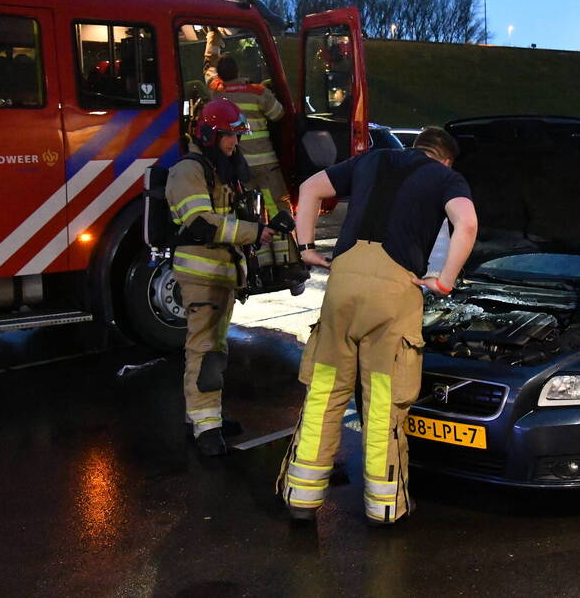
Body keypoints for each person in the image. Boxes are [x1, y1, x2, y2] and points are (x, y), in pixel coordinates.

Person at [276, 126, 478, 526]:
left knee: (325, 392)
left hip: (342, 283)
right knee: (383, 399)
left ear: (417, 146)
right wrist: (445, 281)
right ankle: (385, 507)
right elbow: (467, 224)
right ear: (446, 158)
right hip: (393, 290)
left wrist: (307, 248)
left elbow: (310, 189)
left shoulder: (370, 159)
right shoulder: (445, 177)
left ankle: (301, 497)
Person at [166, 99, 276, 457]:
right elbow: (200, 223)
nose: (234, 143)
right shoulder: (188, 171)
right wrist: (252, 232)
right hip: (202, 275)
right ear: (209, 135)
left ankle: (204, 415)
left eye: (237, 136)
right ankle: (206, 428)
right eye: (229, 136)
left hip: (221, 274)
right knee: (205, 349)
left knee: (215, 347)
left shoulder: (219, 168)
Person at [203, 29, 305, 290]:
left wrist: (212, 41)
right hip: (267, 166)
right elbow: (279, 114)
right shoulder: (258, 91)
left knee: (252, 215)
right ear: (238, 70)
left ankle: (260, 267)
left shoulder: (217, 92)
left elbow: (208, 72)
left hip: (241, 168)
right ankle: (289, 266)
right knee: (279, 211)